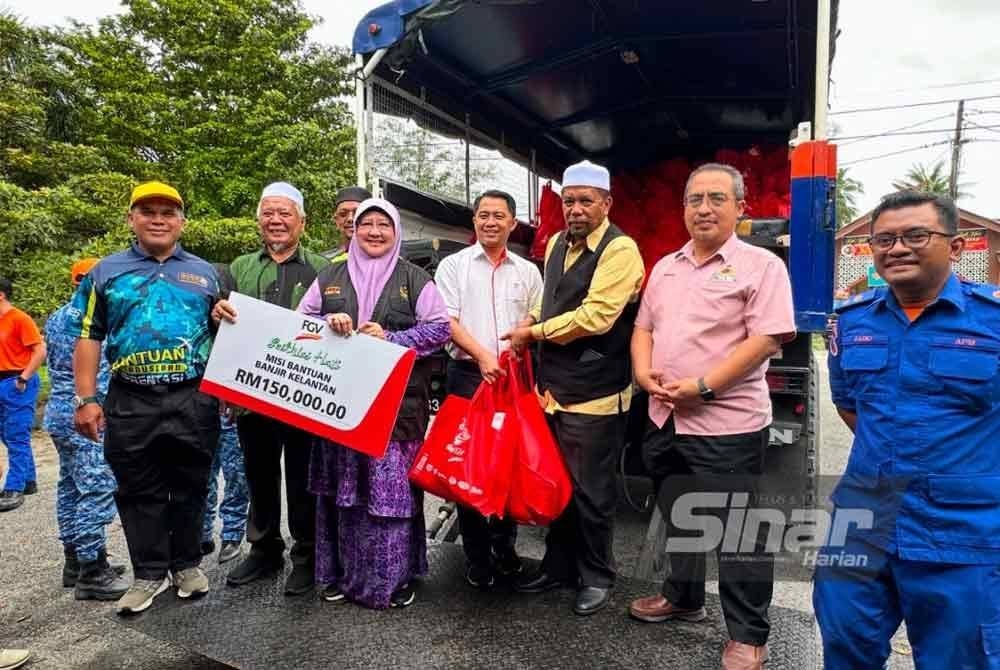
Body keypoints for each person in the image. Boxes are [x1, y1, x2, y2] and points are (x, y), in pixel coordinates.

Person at [814, 191, 1000, 669]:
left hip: (964, 531)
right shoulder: (851, 323)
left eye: (917, 235)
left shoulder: (993, 323)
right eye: (884, 239)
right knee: (844, 644)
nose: (897, 248)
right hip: (863, 522)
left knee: (959, 658)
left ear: (955, 247)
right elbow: (849, 406)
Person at [627, 164, 795, 670]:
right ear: (682, 209)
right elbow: (644, 328)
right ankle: (683, 596)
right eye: (694, 199)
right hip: (664, 418)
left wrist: (704, 386)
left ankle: (748, 633)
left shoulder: (761, 266)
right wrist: (641, 374)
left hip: (726, 423)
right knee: (681, 515)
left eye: (716, 198)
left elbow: (768, 338)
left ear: (740, 208)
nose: (704, 208)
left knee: (738, 530)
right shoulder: (665, 266)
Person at [72, 181, 221, 614]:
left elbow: (224, 334)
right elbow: (88, 334)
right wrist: (86, 398)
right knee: (139, 487)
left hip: (192, 395)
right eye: (148, 211)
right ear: (132, 218)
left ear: (182, 222)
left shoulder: (205, 272)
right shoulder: (106, 271)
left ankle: (188, 565)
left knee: (192, 482)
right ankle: (150, 572)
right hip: (129, 398)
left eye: (168, 212)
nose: (158, 219)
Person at [505, 160, 645, 616]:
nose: (576, 209)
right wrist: (529, 320)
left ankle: (597, 575)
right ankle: (558, 566)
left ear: (606, 203)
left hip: (597, 391)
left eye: (586, 200)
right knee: (557, 482)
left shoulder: (620, 250)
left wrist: (535, 333)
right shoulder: (556, 245)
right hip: (554, 388)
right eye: (569, 201)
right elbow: (549, 299)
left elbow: (597, 317)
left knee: (591, 490)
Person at [298, 197, 450, 608]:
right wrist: (328, 325)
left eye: (384, 224)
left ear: (396, 231)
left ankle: (393, 580)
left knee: (390, 498)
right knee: (341, 495)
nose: (375, 232)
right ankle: (341, 576)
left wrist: (391, 339)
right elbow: (301, 323)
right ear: (354, 229)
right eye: (367, 224)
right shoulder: (329, 275)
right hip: (338, 406)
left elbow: (440, 330)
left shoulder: (415, 278)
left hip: (396, 410)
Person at [216, 182, 330, 595]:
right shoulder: (239, 267)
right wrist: (218, 314)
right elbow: (223, 327)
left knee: (303, 477)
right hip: (253, 394)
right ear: (259, 219)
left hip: (304, 396)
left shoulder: (323, 266)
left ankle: (306, 554)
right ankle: (263, 549)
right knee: (258, 475)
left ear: (302, 221)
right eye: (269, 213)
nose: (276, 221)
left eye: (285, 214)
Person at [434, 189, 542, 588]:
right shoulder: (454, 266)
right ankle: (476, 556)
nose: (490, 222)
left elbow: (536, 311)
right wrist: (482, 356)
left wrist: (521, 334)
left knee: (508, 465)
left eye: (499, 216)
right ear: (474, 221)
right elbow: (447, 322)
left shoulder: (528, 270)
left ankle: (505, 546)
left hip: (513, 379)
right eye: (483, 215)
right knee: (468, 466)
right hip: (468, 376)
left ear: (513, 223)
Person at [43, 258, 128, 599]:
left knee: (70, 486)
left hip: (59, 413)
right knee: (97, 487)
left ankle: (74, 561)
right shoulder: (92, 320)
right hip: (86, 413)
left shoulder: (57, 316)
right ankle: (92, 569)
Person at [200, 263, 248, 565]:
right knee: (201, 473)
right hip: (200, 408)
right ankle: (202, 534)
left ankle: (232, 534)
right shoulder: (195, 318)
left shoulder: (241, 318)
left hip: (230, 408)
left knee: (236, 474)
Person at [0, 275, 47, 513]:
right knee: (6, 434)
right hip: (1, 380)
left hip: (17, 381)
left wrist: (23, 378)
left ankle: (13, 487)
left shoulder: (19, 319)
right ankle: (28, 480)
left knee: (17, 434)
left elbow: (40, 350)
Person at [323, 186, 372, 262]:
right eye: (343, 214)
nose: (350, 219)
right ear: (336, 220)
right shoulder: (323, 262)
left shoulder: (386, 260)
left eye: (357, 213)